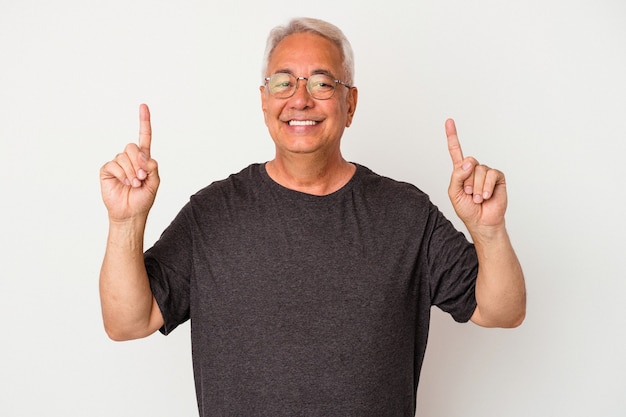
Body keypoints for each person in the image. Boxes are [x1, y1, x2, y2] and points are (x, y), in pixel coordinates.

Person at [99, 17, 526, 416]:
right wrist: (125, 223)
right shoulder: (211, 215)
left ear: (350, 103)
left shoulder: (406, 215)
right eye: (283, 82)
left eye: (322, 83)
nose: (300, 99)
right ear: (264, 101)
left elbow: (502, 311)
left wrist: (489, 231)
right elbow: (128, 322)